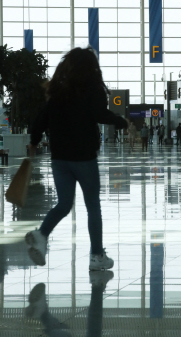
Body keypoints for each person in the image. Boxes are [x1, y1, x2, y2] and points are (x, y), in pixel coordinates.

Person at [25, 47, 128, 270]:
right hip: (83, 158)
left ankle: (41, 235)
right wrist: (121, 121)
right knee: (93, 206)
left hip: (59, 158)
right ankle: (97, 256)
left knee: (63, 204)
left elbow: (42, 119)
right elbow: (99, 114)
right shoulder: (93, 89)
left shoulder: (59, 91)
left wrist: (34, 141)